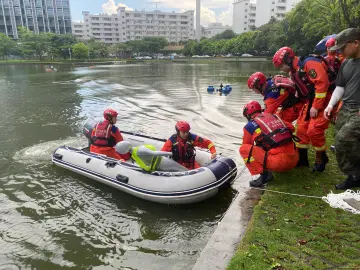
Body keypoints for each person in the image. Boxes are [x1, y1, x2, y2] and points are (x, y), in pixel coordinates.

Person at [272, 46, 336, 172]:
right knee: (301, 129)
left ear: (288, 60)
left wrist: (316, 107)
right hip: (311, 100)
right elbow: (302, 92)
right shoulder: (295, 71)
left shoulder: (310, 63)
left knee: (314, 130)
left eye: (281, 66)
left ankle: (321, 158)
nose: (281, 69)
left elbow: (322, 84)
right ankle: (302, 160)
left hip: (325, 100)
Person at [324, 28, 360, 189]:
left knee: (343, 138)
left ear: (356, 43)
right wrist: (331, 105)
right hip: (346, 107)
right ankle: (355, 175)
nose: (340, 52)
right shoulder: (346, 63)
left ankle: (355, 174)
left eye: (343, 47)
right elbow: (340, 87)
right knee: (342, 142)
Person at [239, 101, 299, 187]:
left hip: (279, 163)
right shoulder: (274, 116)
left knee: (243, 149)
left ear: (248, 114)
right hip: (295, 158)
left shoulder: (250, 126)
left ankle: (264, 175)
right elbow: (292, 128)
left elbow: (247, 145)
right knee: (265, 143)